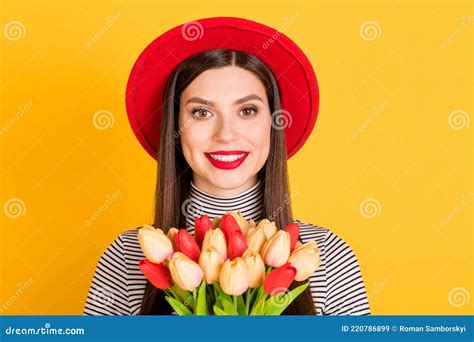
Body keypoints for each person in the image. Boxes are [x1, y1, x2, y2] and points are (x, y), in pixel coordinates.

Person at [83, 17, 370, 316]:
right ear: (174, 128)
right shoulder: (127, 256)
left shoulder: (326, 255)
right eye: (202, 112)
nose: (226, 134)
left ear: (273, 124)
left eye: (247, 110)